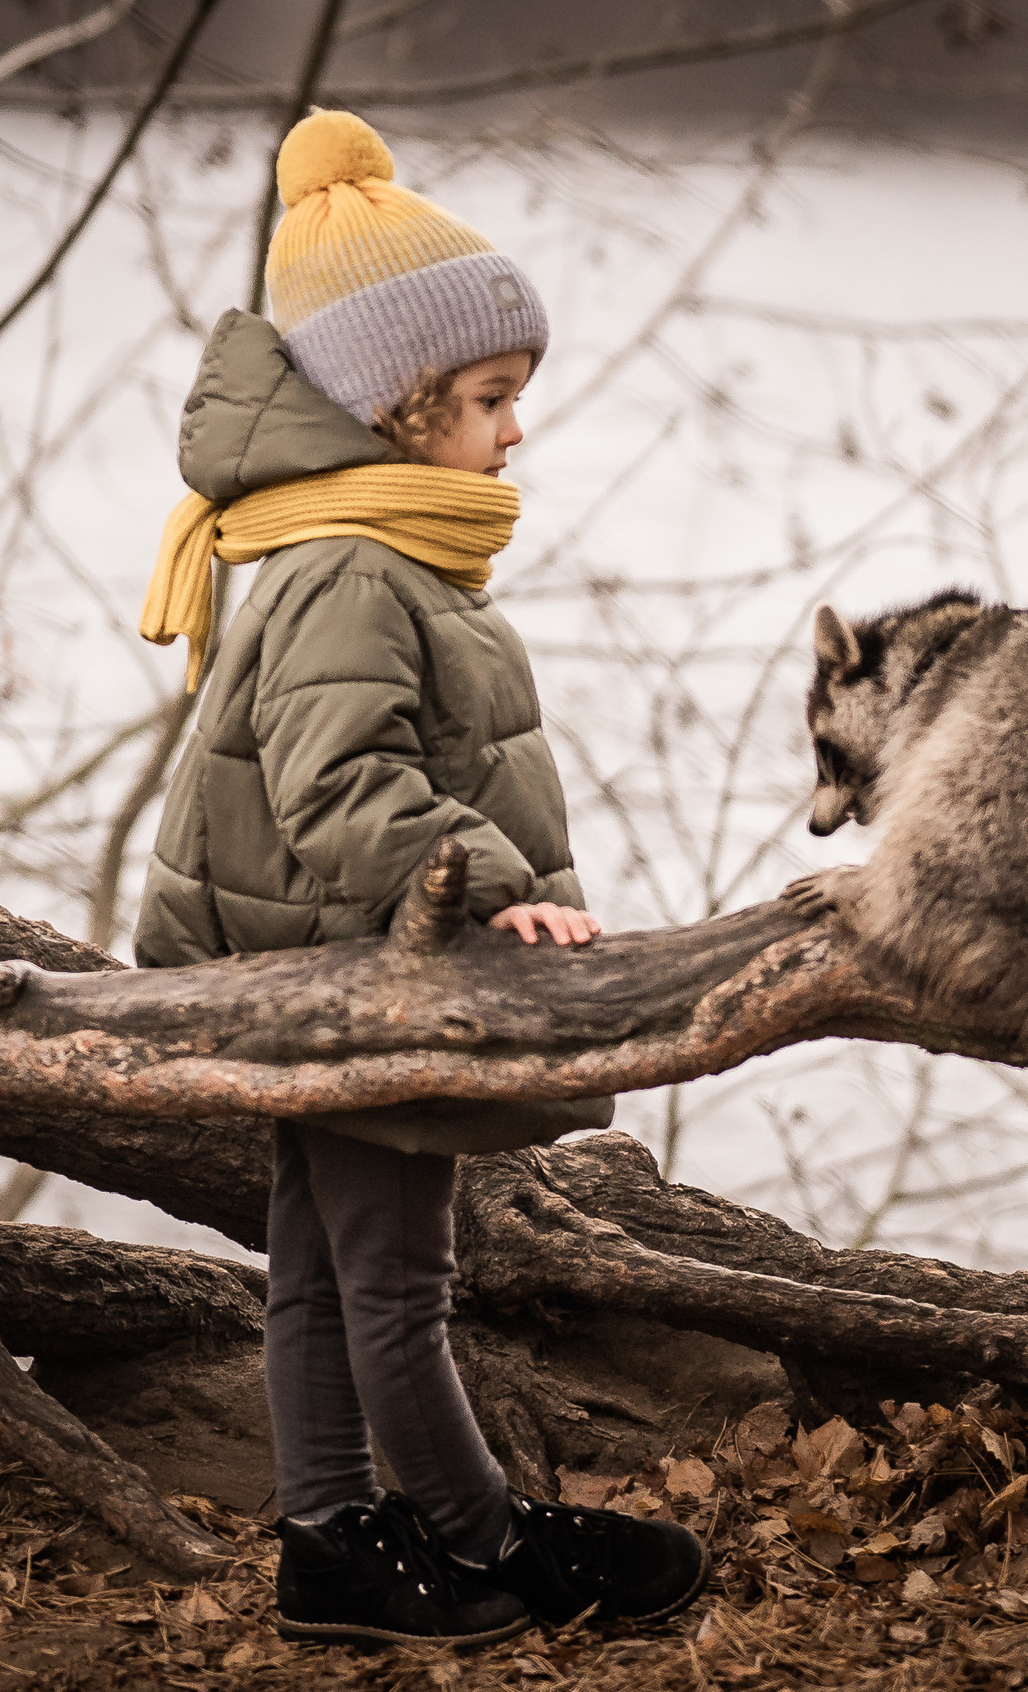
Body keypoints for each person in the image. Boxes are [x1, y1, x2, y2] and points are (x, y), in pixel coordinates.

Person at [132, 111, 707, 1647]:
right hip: (347, 973)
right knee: (398, 1286)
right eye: (490, 399)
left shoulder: (366, 548)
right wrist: (498, 879)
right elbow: (339, 788)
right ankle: (488, 1533)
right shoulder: (352, 569)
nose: (514, 433)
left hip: (322, 962)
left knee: (319, 1278)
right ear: (399, 404)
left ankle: (330, 1546)